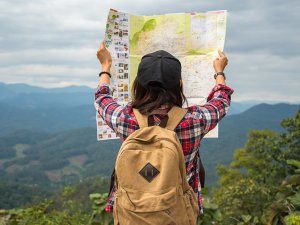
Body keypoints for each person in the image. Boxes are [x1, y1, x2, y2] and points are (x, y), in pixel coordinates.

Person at [94, 41, 234, 215]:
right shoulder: (194, 120)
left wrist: (105, 66)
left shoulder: (125, 118)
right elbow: (222, 100)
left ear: (138, 84)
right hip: (177, 212)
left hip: (134, 213)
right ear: (179, 85)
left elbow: (102, 98)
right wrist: (219, 72)